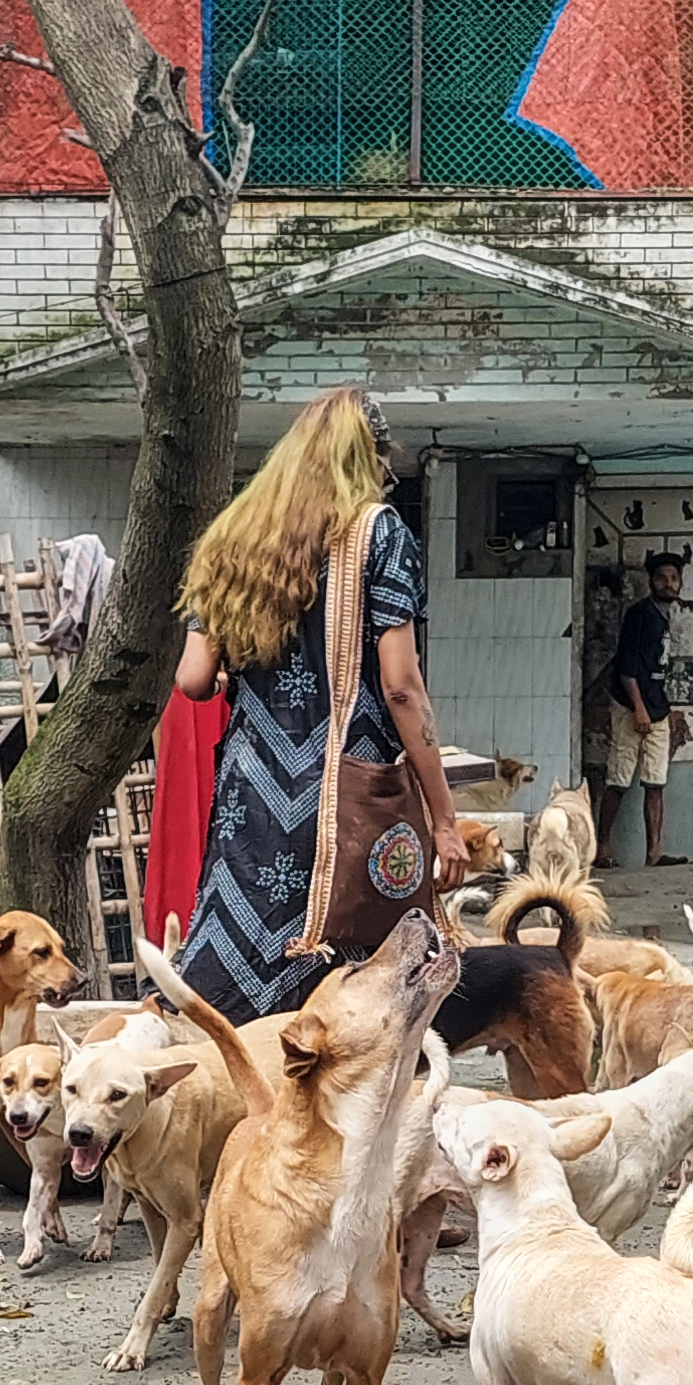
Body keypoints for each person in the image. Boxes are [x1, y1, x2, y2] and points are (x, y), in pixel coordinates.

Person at [164, 388, 463, 1018]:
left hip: (253, 790)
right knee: (361, 960)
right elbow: (401, 686)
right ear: (370, 458)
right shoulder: (378, 534)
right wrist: (442, 817)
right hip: (346, 796)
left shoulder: (234, 537)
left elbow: (193, 680)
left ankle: (235, 1078)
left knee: (240, 937)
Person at [596, 546, 683, 868]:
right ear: (651, 581)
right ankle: (601, 850)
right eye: (662, 578)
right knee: (618, 779)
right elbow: (626, 669)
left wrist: (658, 710)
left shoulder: (663, 616)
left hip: (658, 708)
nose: (669, 583)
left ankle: (654, 853)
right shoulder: (640, 615)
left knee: (655, 782)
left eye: (674, 578)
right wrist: (639, 709)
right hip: (630, 707)